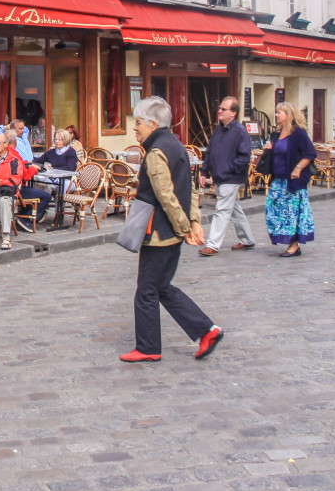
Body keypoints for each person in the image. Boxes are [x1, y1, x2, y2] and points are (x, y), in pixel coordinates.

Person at [121, 96, 223, 363]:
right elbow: (189, 189)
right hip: (171, 231)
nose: (136, 129)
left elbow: (166, 195)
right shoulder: (176, 145)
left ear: (153, 123)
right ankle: (205, 330)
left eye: (139, 123)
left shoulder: (156, 152)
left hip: (159, 233)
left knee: (146, 290)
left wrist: (186, 227)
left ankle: (148, 347)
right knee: (160, 286)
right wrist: (193, 222)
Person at [197, 97, 255, 256]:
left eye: (224, 109)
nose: (220, 111)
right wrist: (204, 171)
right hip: (220, 177)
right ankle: (247, 239)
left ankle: (213, 244)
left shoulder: (240, 131)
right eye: (220, 108)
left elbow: (244, 157)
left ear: (233, 113)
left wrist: (227, 170)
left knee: (222, 210)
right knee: (234, 209)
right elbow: (210, 151)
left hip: (231, 178)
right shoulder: (218, 129)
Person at [264, 102, 317, 257]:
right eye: (276, 112)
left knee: (291, 213)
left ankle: (294, 245)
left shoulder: (298, 133)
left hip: (292, 182)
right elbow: (277, 154)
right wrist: (269, 149)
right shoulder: (276, 134)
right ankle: (287, 239)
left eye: (279, 112)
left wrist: (298, 168)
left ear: (289, 115)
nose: (276, 115)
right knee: (272, 210)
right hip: (278, 180)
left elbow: (310, 153)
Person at [29, 129, 79, 198]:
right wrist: (27, 159)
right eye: (56, 139)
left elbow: (70, 168)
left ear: (66, 140)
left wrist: (52, 169)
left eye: (60, 140)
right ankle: (39, 202)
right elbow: (39, 160)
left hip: (67, 180)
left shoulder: (71, 152)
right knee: (38, 180)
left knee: (58, 185)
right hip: (52, 178)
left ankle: (59, 205)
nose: (57, 141)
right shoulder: (51, 152)